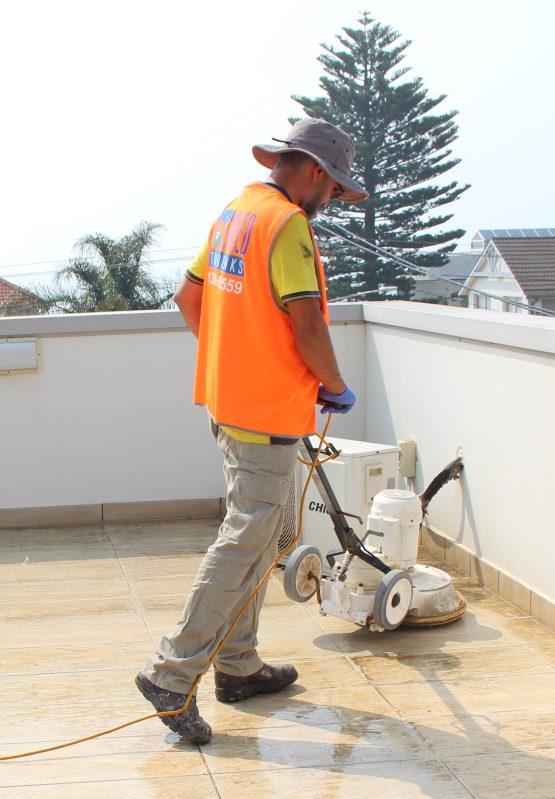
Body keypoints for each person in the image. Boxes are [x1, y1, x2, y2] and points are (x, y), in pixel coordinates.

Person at [135, 118, 368, 745]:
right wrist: (336, 385)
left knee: (278, 529)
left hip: (231, 404)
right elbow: (308, 323)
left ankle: (237, 665)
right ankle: (171, 672)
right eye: (334, 189)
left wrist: (235, 357)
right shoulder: (287, 224)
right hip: (264, 414)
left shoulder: (235, 214)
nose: (331, 202)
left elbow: (190, 299)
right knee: (246, 537)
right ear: (315, 171)